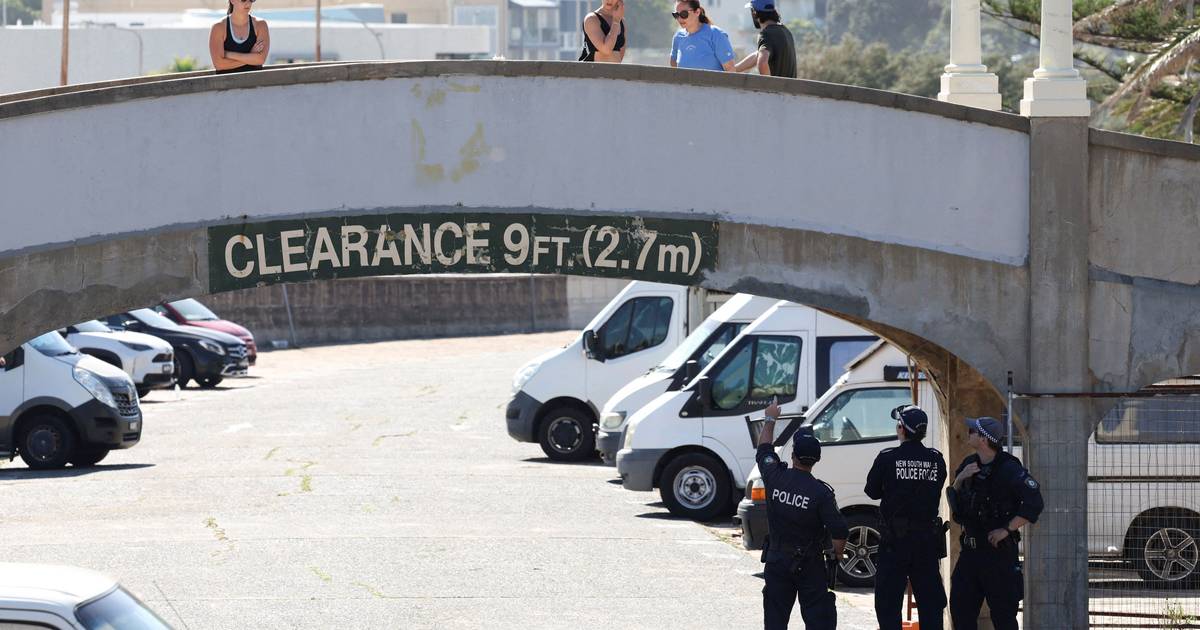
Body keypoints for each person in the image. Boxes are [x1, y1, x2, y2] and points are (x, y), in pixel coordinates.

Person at [757, 397, 847, 630]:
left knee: (775, 621)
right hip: (810, 564)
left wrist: (770, 418)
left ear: (793, 455)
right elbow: (839, 530)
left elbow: (764, 449)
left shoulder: (775, 476)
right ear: (816, 459)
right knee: (818, 621)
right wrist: (836, 554)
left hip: (777, 561)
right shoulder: (821, 493)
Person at [947, 416, 1044, 630]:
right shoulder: (969, 464)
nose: (968, 433)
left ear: (983, 439)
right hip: (970, 553)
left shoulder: (1009, 468)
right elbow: (955, 502)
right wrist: (960, 478)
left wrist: (1007, 529)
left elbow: (1034, 502)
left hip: (999, 554)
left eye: (972, 431)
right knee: (960, 612)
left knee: (1003, 617)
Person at [864, 405, 948, 630]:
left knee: (888, 603)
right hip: (926, 541)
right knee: (930, 603)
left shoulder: (887, 458)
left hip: (894, 542)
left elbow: (872, 491)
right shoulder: (936, 460)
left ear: (901, 428)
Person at [732, 0, 796, 77]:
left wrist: (768, 84)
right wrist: (733, 69)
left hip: (776, 85)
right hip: (791, 85)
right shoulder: (786, 31)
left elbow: (762, 62)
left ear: (754, 13)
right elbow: (759, 55)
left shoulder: (766, 34)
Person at [669, 0, 736, 72]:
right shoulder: (678, 37)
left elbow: (730, 70)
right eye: (676, 15)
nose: (679, 18)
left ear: (697, 12)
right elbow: (674, 66)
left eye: (684, 14)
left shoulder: (716, 34)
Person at [209, 0, 270, 74]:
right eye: (243, 0)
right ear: (232, 1)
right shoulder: (218, 27)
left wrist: (229, 54)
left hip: (255, 80)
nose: (248, 3)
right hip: (227, 81)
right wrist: (251, 55)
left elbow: (260, 59)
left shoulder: (260, 25)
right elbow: (219, 65)